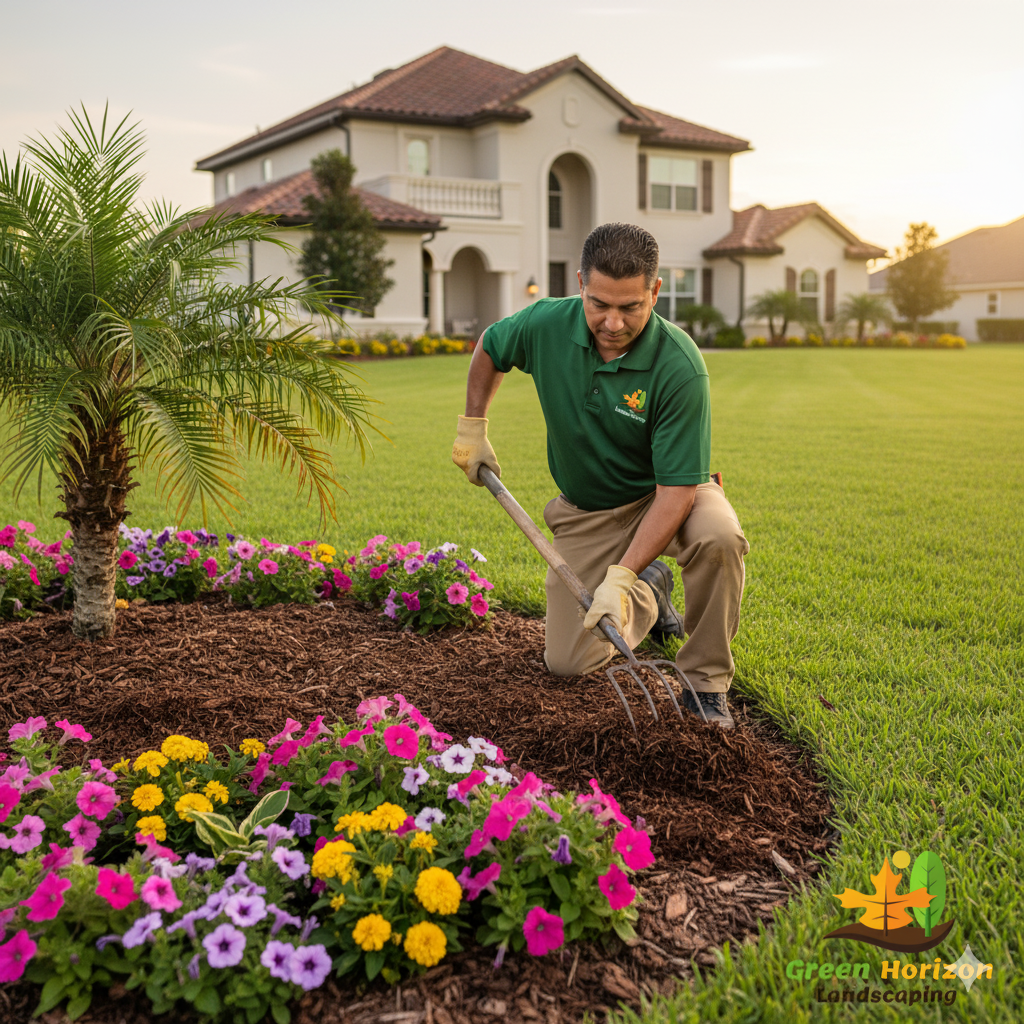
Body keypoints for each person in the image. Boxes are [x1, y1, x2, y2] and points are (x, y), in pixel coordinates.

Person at [451, 223, 749, 728]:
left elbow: (675, 492)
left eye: (630, 306)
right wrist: (473, 427)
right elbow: (491, 345)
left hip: (671, 496)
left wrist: (620, 573)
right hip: (589, 509)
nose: (612, 322)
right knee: (567, 662)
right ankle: (651, 590)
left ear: (655, 291)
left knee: (719, 538)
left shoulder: (679, 366)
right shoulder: (546, 324)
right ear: (581, 283)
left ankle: (705, 683)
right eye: (599, 303)